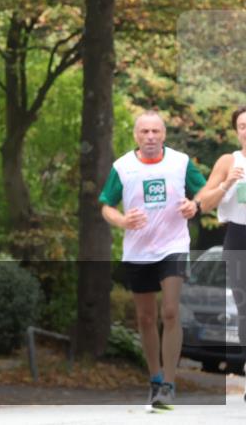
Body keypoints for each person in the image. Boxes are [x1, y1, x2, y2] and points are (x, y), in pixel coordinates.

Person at [99, 111, 206, 409]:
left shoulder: (180, 162)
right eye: (144, 132)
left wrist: (194, 204)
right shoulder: (122, 167)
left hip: (173, 245)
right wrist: (122, 220)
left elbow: (205, 191)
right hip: (138, 250)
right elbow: (106, 205)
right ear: (136, 135)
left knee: (170, 312)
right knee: (145, 318)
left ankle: (169, 385)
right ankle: (155, 379)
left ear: (164, 135)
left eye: (155, 132)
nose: (150, 137)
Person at [194, 104, 246, 399]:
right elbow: (204, 202)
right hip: (238, 235)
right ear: (236, 131)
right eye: (242, 126)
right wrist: (228, 183)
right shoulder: (229, 161)